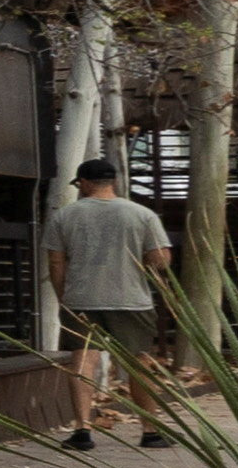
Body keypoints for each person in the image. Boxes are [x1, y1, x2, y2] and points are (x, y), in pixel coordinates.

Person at [44, 156, 179, 449]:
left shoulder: (64, 216)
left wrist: (63, 297)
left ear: (84, 183)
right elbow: (161, 259)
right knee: (138, 364)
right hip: (131, 300)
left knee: (83, 361)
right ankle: (150, 431)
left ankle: (82, 430)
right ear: (113, 182)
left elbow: (56, 263)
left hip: (82, 298)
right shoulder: (142, 215)